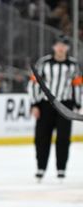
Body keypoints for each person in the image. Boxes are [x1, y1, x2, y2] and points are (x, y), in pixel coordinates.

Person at [29, 35, 81, 181]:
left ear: (67, 48)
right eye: (58, 44)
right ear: (53, 46)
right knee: (42, 137)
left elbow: (77, 85)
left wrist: (77, 105)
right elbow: (34, 83)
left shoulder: (73, 64)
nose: (60, 47)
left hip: (65, 104)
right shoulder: (44, 62)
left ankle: (61, 169)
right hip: (45, 105)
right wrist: (34, 104)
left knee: (64, 138)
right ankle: (41, 167)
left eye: (64, 45)